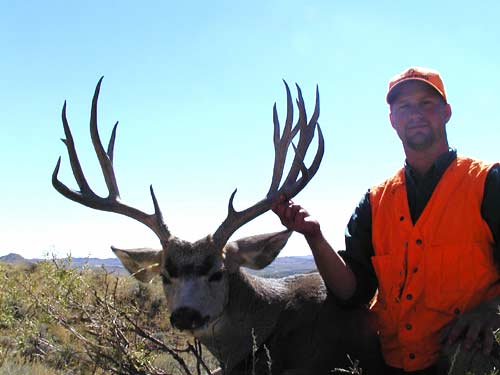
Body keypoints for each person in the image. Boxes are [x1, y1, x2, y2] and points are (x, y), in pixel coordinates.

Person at [272, 66, 500, 374]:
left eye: (426, 103)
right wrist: (314, 237)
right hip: (389, 363)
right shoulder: (376, 201)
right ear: (393, 121)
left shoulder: (487, 183)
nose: (415, 113)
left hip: (464, 358)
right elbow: (351, 292)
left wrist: (492, 310)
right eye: (404, 106)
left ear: (446, 113)